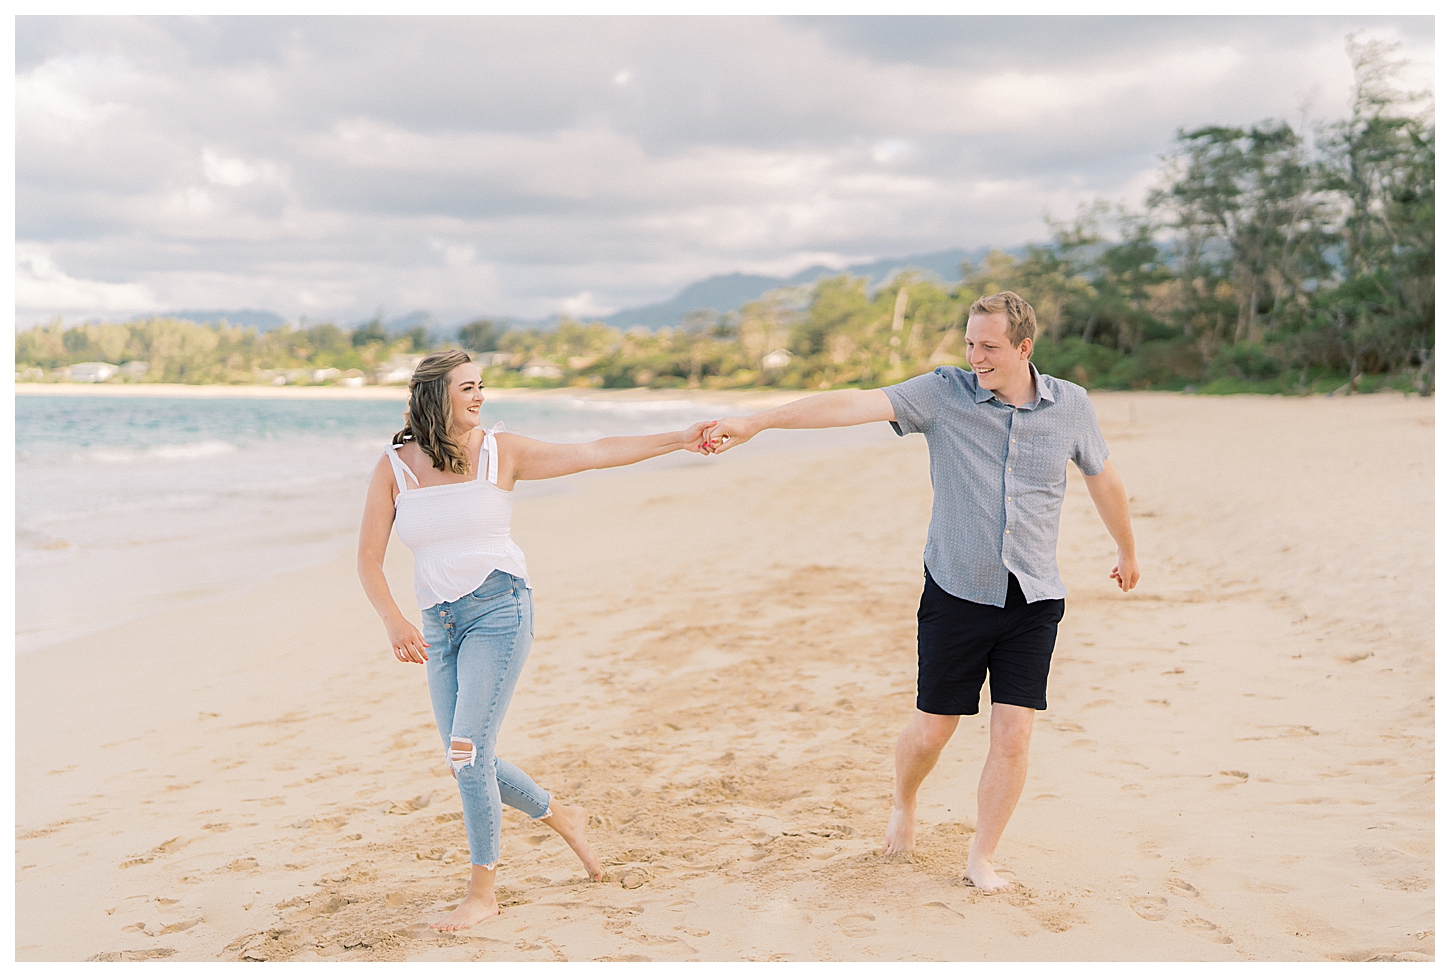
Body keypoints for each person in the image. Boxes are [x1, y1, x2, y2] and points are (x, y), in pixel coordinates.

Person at [700, 291, 1139, 893]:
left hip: (1034, 597)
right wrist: (757, 421)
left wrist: (1126, 549)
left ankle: (981, 857)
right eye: (969, 343)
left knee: (1013, 733)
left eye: (988, 346)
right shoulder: (944, 394)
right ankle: (904, 803)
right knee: (934, 729)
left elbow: (1102, 475)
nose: (975, 356)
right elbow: (854, 403)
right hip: (956, 592)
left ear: (1023, 348)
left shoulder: (1071, 406)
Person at [358, 349, 714, 930]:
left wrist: (679, 438)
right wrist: (394, 621)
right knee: (464, 758)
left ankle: (483, 894)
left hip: (499, 611)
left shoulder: (503, 451)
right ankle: (564, 816)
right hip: (438, 627)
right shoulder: (394, 467)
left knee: (468, 754)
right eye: (467, 387)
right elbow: (368, 561)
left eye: (481, 386)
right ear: (434, 396)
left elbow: (596, 452)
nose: (479, 397)